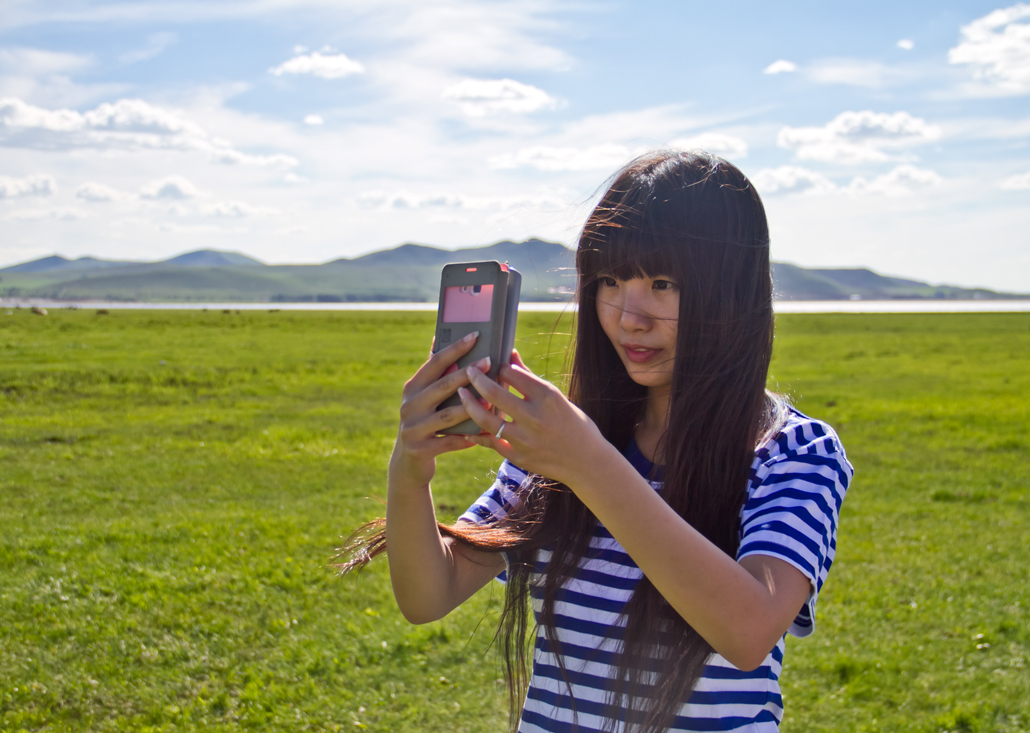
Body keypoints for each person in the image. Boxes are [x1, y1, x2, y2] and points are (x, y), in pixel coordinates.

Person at [340, 150, 853, 733]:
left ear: (733, 293)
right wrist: (409, 468)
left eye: (663, 283)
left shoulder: (795, 452)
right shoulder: (567, 443)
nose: (628, 315)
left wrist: (589, 465)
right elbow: (429, 594)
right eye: (610, 281)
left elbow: (749, 630)